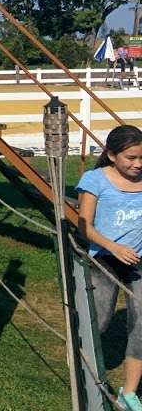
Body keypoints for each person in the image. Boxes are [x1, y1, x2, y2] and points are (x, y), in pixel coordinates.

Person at [77, 125, 142, 411]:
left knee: (141, 324)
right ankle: (83, 370)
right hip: (105, 258)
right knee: (99, 321)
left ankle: (129, 393)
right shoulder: (95, 180)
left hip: (138, 261)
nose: (137, 164)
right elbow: (84, 225)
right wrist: (114, 247)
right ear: (111, 154)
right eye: (130, 158)